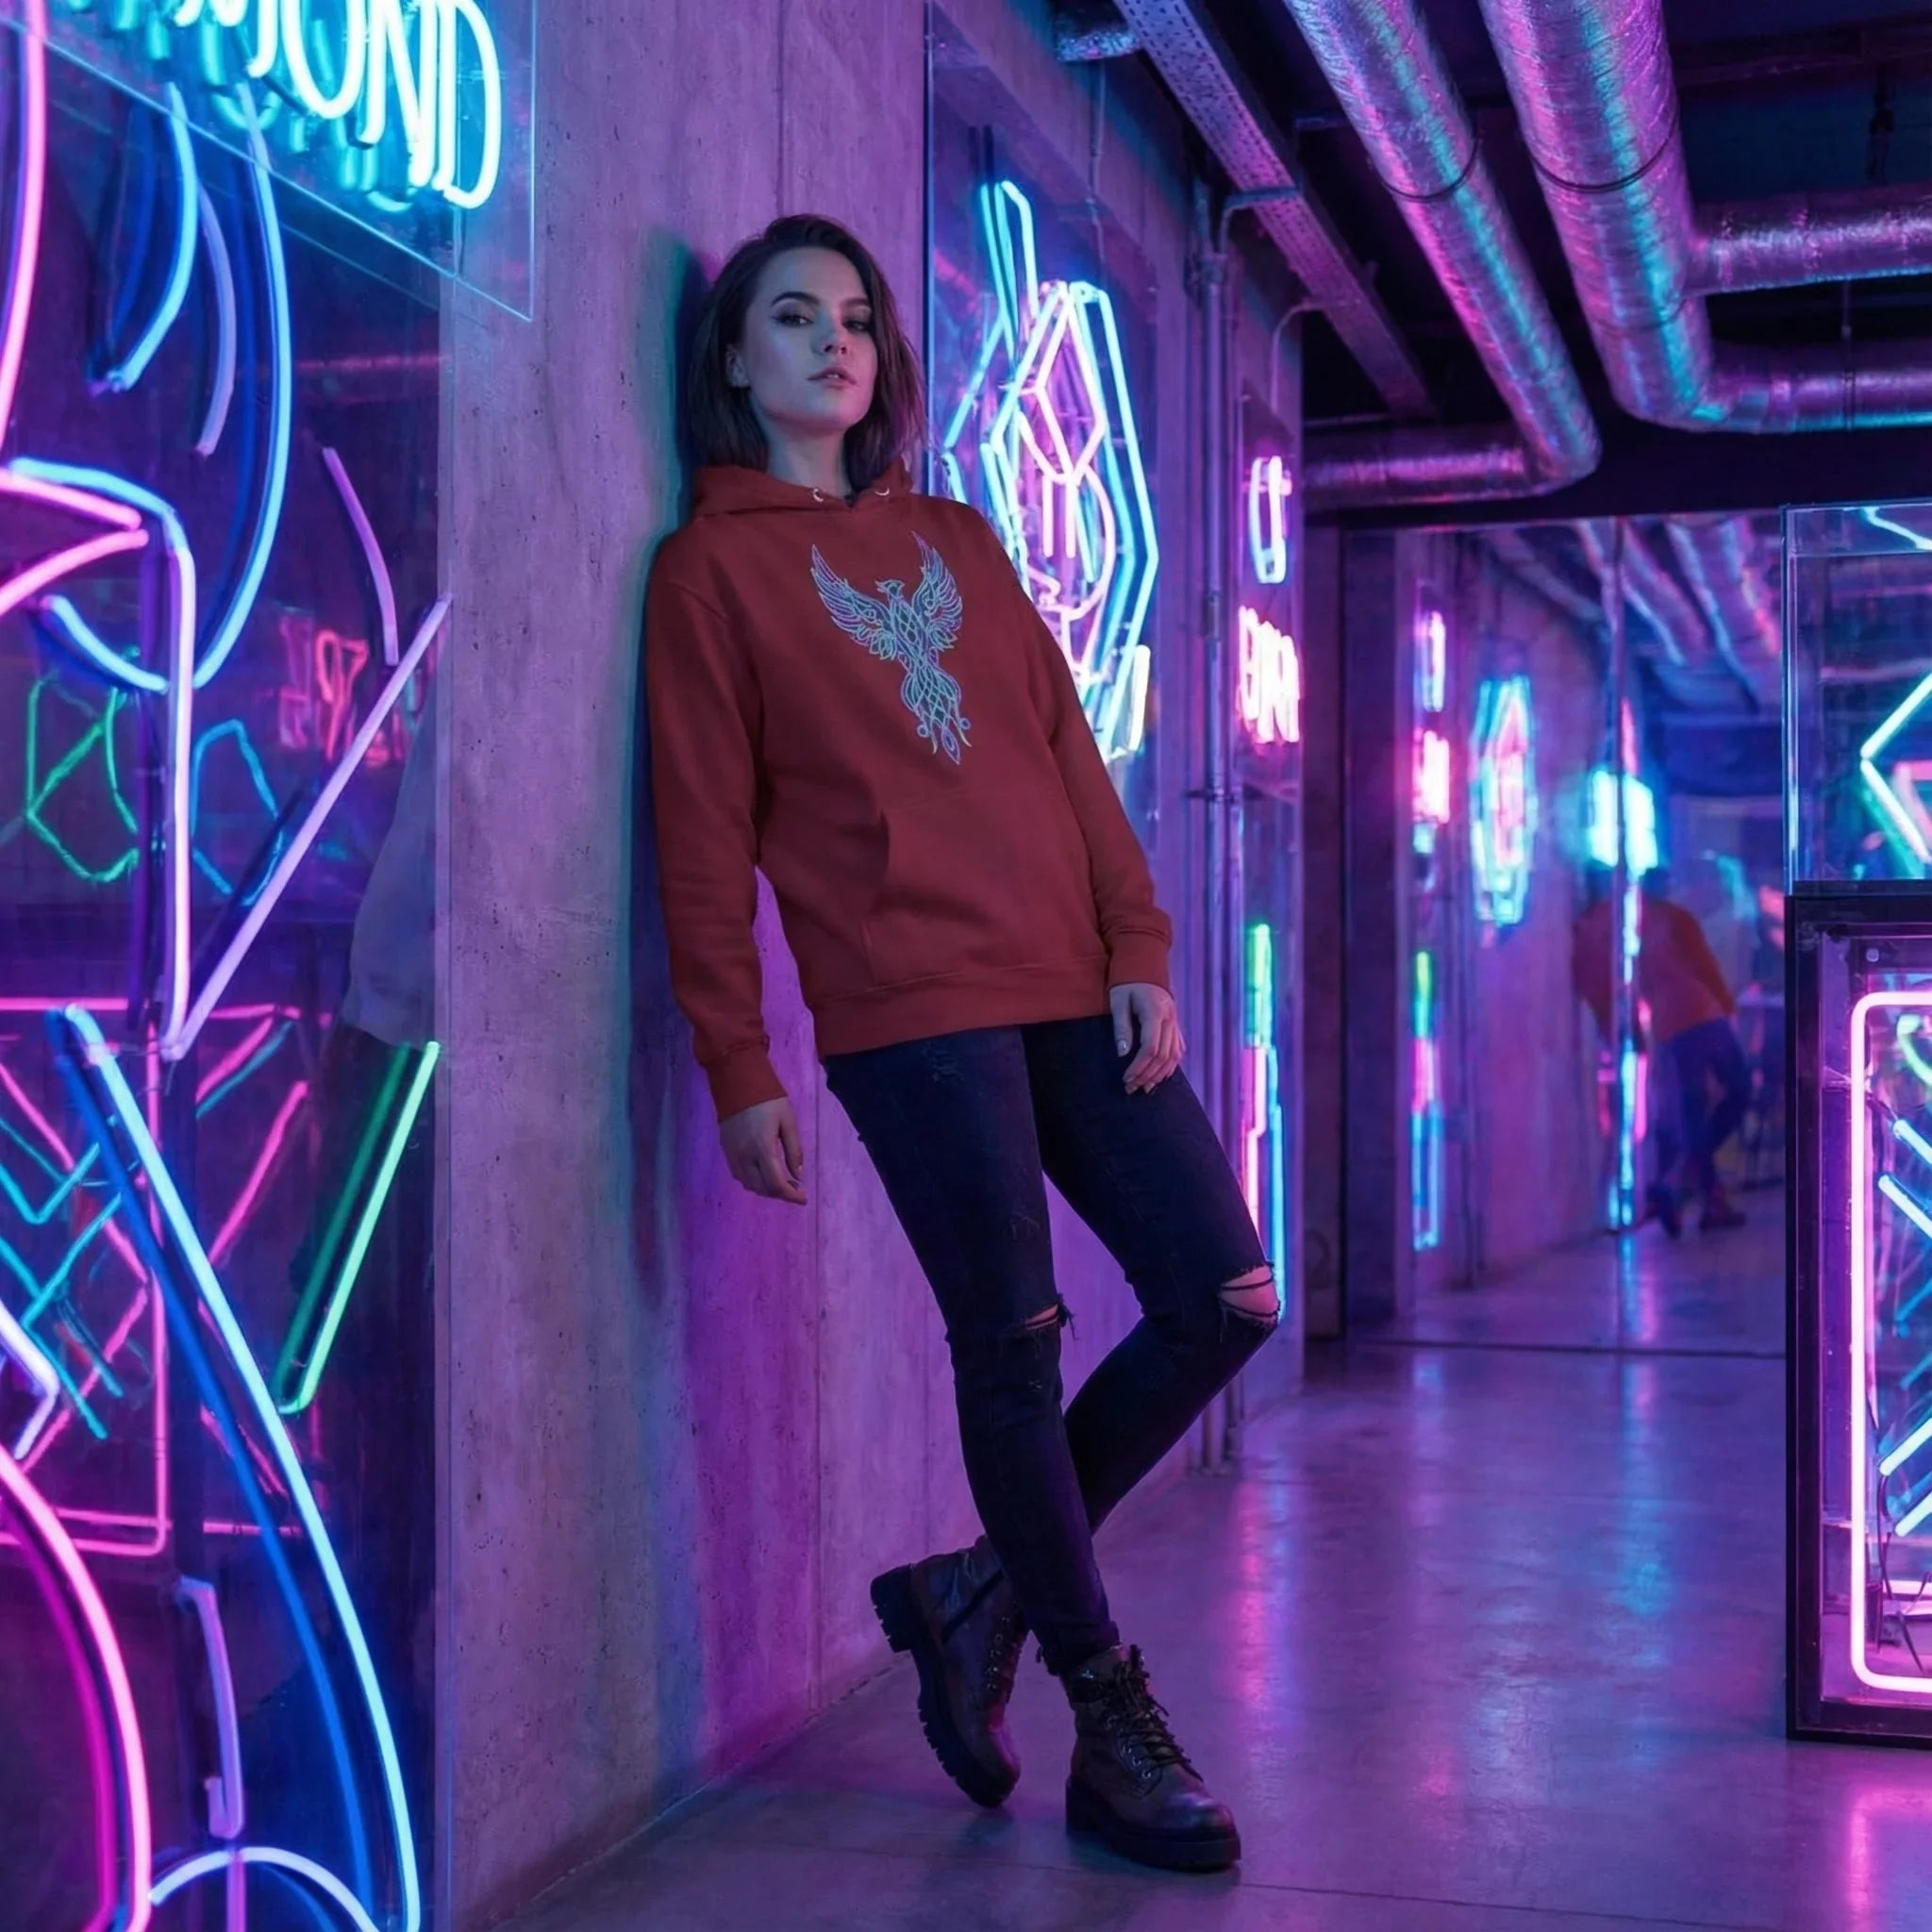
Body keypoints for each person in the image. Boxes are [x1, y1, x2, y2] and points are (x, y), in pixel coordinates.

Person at [644, 216, 1277, 1874]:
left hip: (1069, 980)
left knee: (1222, 1294)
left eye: (855, 318)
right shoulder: (710, 574)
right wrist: (739, 1063)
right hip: (909, 1011)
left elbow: (1068, 755)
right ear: (735, 359)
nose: (834, 342)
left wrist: (1138, 945)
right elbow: (701, 840)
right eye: (794, 318)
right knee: (1014, 1342)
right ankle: (1105, 1713)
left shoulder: (959, 539)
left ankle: (978, 1589)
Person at [1573, 870, 1751, 1234]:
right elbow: (1704, 965)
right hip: (1702, 1015)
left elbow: (1602, 984)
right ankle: (1685, 1181)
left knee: (1692, 1111)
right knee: (1738, 1090)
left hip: (1669, 1027)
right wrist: (1727, 1007)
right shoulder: (1668, 917)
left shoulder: (1603, 928)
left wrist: (1624, 1029)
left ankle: (1690, 1187)